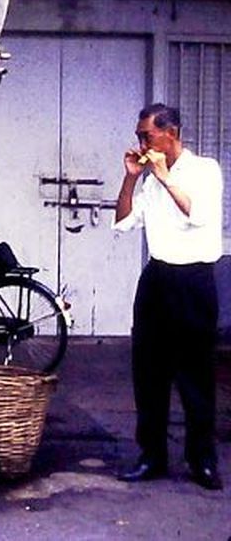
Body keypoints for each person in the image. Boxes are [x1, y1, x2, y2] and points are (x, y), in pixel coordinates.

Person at [113, 103, 223, 490]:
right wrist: (131, 179)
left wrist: (163, 178)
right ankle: (152, 456)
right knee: (149, 373)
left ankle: (202, 459)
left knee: (195, 374)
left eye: (148, 135)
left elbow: (201, 215)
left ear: (170, 133)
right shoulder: (147, 180)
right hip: (158, 278)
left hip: (193, 279)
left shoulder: (204, 170)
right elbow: (124, 222)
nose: (141, 142)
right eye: (140, 136)